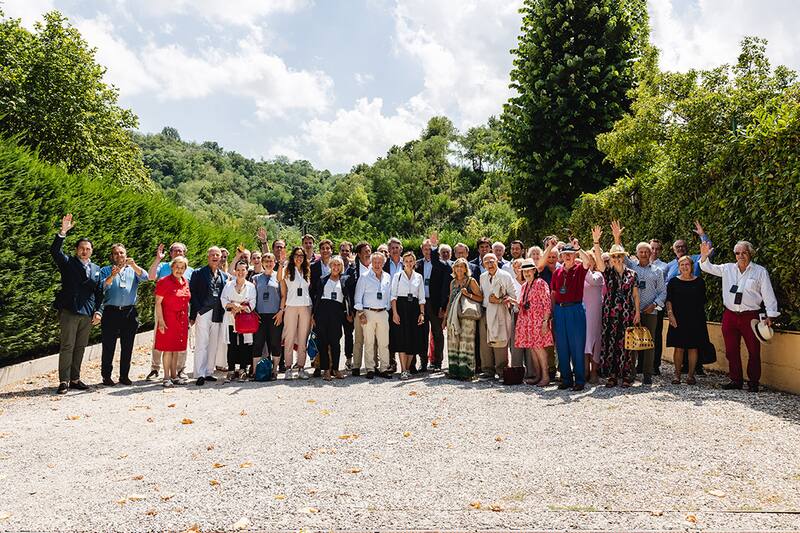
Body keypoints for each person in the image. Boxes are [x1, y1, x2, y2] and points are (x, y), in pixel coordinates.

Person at [699, 240, 779, 392]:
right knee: (731, 350)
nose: (740, 256)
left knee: (753, 351)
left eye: (744, 252)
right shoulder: (727, 268)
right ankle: (736, 380)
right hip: (730, 315)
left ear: (750, 253)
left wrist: (771, 315)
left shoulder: (760, 271)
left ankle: (753, 382)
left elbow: (768, 294)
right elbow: (707, 267)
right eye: (737, 253)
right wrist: (704, 256)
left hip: (751, 316)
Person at [50, 214, 103, 394]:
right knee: (67, 346)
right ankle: (64, 381)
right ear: (76, 250)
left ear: (91, 251)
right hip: (70, 311)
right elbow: (55, 251)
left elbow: (99, 293)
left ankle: (75, 379)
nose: (84, 251)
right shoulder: (68, 263)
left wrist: (98, 311)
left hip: (87, 314)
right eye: (81, 248)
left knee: (80, 347)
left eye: (88, 249)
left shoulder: (96, 269)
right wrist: (63, 232)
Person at [610, 221, 667, 383]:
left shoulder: (657, 271)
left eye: (646, 251)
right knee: (632, 343)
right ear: (637, 253)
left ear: (650, 253)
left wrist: (654, 304)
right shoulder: (631, 266)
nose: (643, 254)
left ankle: (648, 375)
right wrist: (617, 237)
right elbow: (619, 253)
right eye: (641, 251)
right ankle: (631, 373)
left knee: (649, 343)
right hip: (632, 311)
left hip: (650, 311)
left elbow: (663, 291)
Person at [592, 227, 640, 388]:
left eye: (619, 256)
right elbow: (598, 261)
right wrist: (596, 242)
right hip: (610, 314)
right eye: (614, 256)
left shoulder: (632, 274)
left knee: (626, 344)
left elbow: (635, 295)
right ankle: (612, 375)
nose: (617, 259)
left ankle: (626, 375)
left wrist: (638, 312)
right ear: (611, 259)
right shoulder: (608, 272)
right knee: (610, 344)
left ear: (623, 257)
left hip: (627, 313)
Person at [545, 237, 593, 391]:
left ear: (574, 255)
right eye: (565, 254)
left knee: (577, 345)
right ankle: (566, 379)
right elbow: (553, 293)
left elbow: (588, 262)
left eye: (570, 254)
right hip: (560, 310)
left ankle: (579, 380)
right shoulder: (557, 272)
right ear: (561, 256)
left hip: (575, 309)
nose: (567, 256)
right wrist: (552, 311)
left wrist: (578, 248)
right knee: (562, 345)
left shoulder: (579, 269)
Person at [99, 244, 148, 386]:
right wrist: (112, 275)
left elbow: (145, 277)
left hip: (129, 312)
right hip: (111, 312)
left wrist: (134, 265)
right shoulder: (105, 270)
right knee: (108, 346)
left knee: (127, 346)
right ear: (111, 256)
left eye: (122, 253)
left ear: (126, 255)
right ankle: (106, 376)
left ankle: (124, 376)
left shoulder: (132, 269)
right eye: (116, 253)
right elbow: (102, 287)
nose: (119, 255)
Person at [146, 242, 194, 381]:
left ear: (185, 253)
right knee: (162, 341)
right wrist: (157, 259)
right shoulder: (163, 267)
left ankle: (179, 370)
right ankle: (155, 369)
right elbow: (151, 277)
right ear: (171, 253)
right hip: (165, 312)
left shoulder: (189, 272)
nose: (178, 253)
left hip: (182, 313)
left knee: (179, 343)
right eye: (175, 250)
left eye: (180, 251)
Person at [666, 255, 710, 385]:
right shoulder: (673, 282)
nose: (685, 267)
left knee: (693, 347)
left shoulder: (700, 282)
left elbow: (702, 301)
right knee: (678, 347)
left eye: (687, 264)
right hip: (678, 318)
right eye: (682, 265)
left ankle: (691, 376)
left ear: (692, 266)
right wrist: (670, 314)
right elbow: (669, 300)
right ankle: (677, 375)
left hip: (695, 318)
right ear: (679, 267)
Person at [190, 247, 230, 385]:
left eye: (217, 255)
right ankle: (200, 373)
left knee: (213, 344)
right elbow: (192, 292)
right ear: (208, 257)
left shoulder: (224, 276)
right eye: (212, 254)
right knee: (202, 343)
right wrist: (197, 310)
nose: (215, 257)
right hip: (203, 312)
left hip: (218, 312)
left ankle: (208, 372)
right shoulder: (198, 273)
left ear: (220, 258)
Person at [354, 252, 393, 378]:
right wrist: (361, 313)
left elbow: (389, 295)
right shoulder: (364, 277)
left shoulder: (387, 277)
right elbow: (358, 297)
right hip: (368, 312)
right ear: (371, 263)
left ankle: (384, 368)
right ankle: (370, 369)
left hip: (383, 312)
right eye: (375, 262)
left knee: (384, 343)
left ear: (383, 263)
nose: (377, 265)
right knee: (369, 342)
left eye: (379, 262)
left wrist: (387, 310)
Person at [478, 253, 516, 379]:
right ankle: (487, 370)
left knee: (500, 341)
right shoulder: (482, 277)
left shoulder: (505, 276)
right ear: (483, 264)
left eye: (492, 261)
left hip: (500, 311)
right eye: (487, 262)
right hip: (485, 311)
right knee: (485, 343)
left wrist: (499, 300)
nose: (490, 264)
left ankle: (501, 370)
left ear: (497, 262)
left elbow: (513, 296)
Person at [515, 259, 553, 386]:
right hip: (527, 321)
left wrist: (545, 322)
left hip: (538, 320)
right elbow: (523, 304)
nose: (526, 273)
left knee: (539, 348)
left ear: (534, 271)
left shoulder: (540, 283)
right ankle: (538, 375)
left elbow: (547, 303)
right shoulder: (524, 286)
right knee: (532, 348)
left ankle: (545, 377)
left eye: (529, 270)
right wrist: (513, 301)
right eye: (524, 271)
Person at [154, 256, 191, 388]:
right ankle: (166, 377)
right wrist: (161, 321)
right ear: (172, 267)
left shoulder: (185, 281)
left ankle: (174, 376)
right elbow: (158, 303)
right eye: (177, 267)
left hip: (181, 320)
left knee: (176, 349)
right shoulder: (164, 281)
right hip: (168, 319)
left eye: (182, 268)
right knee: (168, 349)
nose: (179, 270)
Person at [444, 258, 483, 380]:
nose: (459, 269)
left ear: (466, 269)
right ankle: (454, 371)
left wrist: (468, 294)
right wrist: (445, 318)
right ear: (454, 269)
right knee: (453, 342)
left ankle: (466, 373)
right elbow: (450, 300)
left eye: (462, 266)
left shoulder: (471, 281)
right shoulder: (452, 282)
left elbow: (481, 298)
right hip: (453, 316)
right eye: (457, 266)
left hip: (467, 317)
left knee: (466, 343)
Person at [416, 233, 450, 372]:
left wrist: (443, 306)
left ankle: (437, 362)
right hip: (421, 303)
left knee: (437, 333)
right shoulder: (417, 264)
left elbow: (444, 288)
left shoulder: (441, 264)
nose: (427, 251)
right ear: (422, 249)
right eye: (425, 249)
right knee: (421, 334)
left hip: (435, 304)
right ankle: (423, 363)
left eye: (430, 249)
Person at [312, 256, 349, 380]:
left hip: (337, 312)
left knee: (335, 342)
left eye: (338, 265)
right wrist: (313, 314)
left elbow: (347, 298)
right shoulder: (323, 279)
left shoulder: (345, 279)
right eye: (334, 264)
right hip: (322, 311)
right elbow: (316, 297)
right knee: (323, 342)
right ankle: (326, 370)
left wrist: (349, 312)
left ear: (341, 267)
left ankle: (336, 369)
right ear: (330, 266)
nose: (336, 267)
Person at [391, 252, 426, 380]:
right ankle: (403, 369)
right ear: (403, 262)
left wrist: (422, 313)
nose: (409, 263)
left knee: (413, 338)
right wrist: (395, 313)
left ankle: (407, 368)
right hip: (401, 308)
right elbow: (393, 296)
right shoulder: (398, 276)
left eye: (411, 261)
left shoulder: (419, 277)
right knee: (402, 338)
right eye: (406, 261)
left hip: (414, 309)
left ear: (414, 262)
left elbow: (421, 297)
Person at [279, 247, 313, 380]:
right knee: (289, 337)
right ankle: (288, 368)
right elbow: (279, 278)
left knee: (303, 338)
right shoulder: (287, 269)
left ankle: (301, 367)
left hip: (305, 306)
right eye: (297, 255)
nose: (299, 258)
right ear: (292, 257)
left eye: (301, 256)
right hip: (291, 306)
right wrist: (281, 264)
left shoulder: (307, 270)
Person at [220, 260, 256, 382]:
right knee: (232, 345)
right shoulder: (228, 285)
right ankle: (231, 370)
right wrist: (232, 306)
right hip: (230, 319)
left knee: (244, 346)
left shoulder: (251, 286)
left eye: (243, 270)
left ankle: (242, 370)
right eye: (238, 270)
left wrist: (240, 308)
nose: (240, 272)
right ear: (235, 271)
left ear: (247, 271)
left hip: (244, 320)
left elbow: (252, 303)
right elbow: (223, 299)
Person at [251, 252, 283, 380]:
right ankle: (255, 371)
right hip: (260, 315)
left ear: (274, 263)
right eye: (266, 261)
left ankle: (274, 371)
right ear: (262, 263)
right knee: (258, 343)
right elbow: (252, 297)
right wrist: (253, 311)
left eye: (271, 261)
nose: (269, 264)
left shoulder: (279, 277)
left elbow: (284, 296)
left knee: (275, 343)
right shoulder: (256, 278)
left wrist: (281, 311)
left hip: (275, 315)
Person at [344, 241, 373, 375]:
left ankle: (372, 365)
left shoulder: (376, 267)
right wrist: (350, 310)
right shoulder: (352, 270)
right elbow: (348, 292)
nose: (368, 254)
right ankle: (356, 366)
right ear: (359, 254)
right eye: (365, 252)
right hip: (358, 310)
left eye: (369, 251)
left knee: (372, 340)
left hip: (373, 308)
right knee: (358, 339)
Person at [582, 253, 604, 385]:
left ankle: (594, 371)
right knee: (584, 339)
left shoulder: (598, 275)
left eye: (589, 260)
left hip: (594, 311)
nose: (586, 262)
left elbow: (592, 280)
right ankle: (585, 369)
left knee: (595, 339)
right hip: (582, 311)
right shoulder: (580, 274)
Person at [649, 238, 668, 375]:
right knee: (641, 333)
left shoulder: (664, 266)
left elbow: (663, 288)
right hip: (641, 305)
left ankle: (655, 365)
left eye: (657, 249)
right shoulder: (638, 263)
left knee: (656, 335)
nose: (654, 251)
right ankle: (641, 364)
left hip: (656, 305)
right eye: (652, 248)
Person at [338, 241, 355, 370]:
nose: (345, 253)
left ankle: (349, 359)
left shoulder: (353, 268)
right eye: (343, 250)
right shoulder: (335, 265)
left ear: (351, 252)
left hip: (349, 308)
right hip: (336, 308)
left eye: (347, 251)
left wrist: (351, 311)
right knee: (335, 335)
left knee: (349, 334)